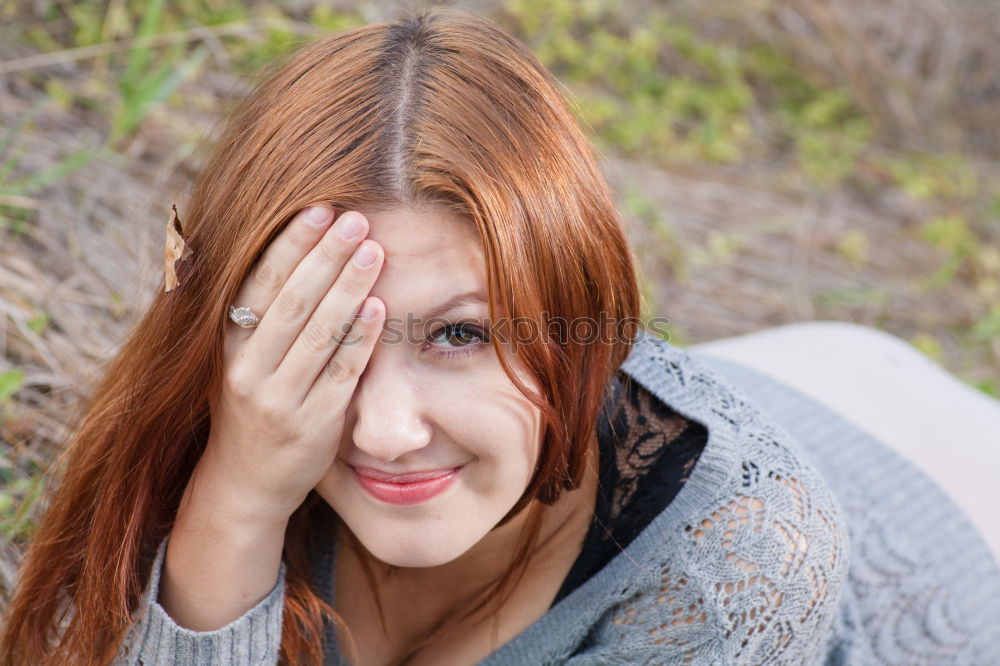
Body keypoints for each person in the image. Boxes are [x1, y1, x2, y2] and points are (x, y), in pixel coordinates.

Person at [1, 7, 998, 666]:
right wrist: (236, 500)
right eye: (331, 332)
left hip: (941, 497)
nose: (385, 430)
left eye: (460, 333)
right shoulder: (239, 402)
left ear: (586, 312)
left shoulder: (734, 570)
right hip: (764, 371)